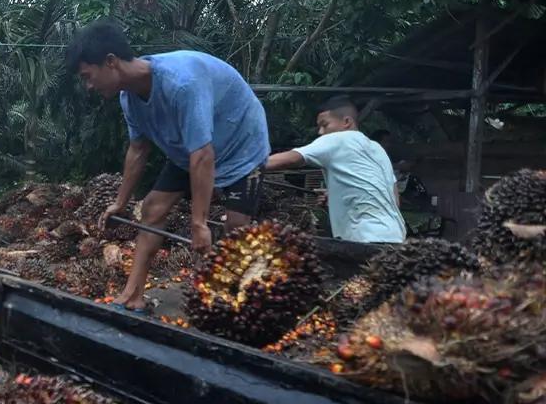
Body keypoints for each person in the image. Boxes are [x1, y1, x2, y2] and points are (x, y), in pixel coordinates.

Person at [65, 20, 270, 312]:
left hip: (240, 144)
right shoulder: (129, 98)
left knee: (237, 227)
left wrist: (198, 224)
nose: (88, 86)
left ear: (110, 62)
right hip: (191, 148)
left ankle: (233, 305)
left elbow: (203, 156)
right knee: (152, 208)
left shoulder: (181, 84)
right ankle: (132, 294)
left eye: (88, 76)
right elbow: (138, 150)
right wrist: (120, 203)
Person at [266, 97, 406, 243]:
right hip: (395, 235)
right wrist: (339, 196)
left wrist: (246, 165)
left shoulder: (338, 139)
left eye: (324, 125)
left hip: (366, 236)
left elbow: (294, 158)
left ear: (347, 122)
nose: (320, 132)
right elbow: (394, 200)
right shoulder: (378, 149)